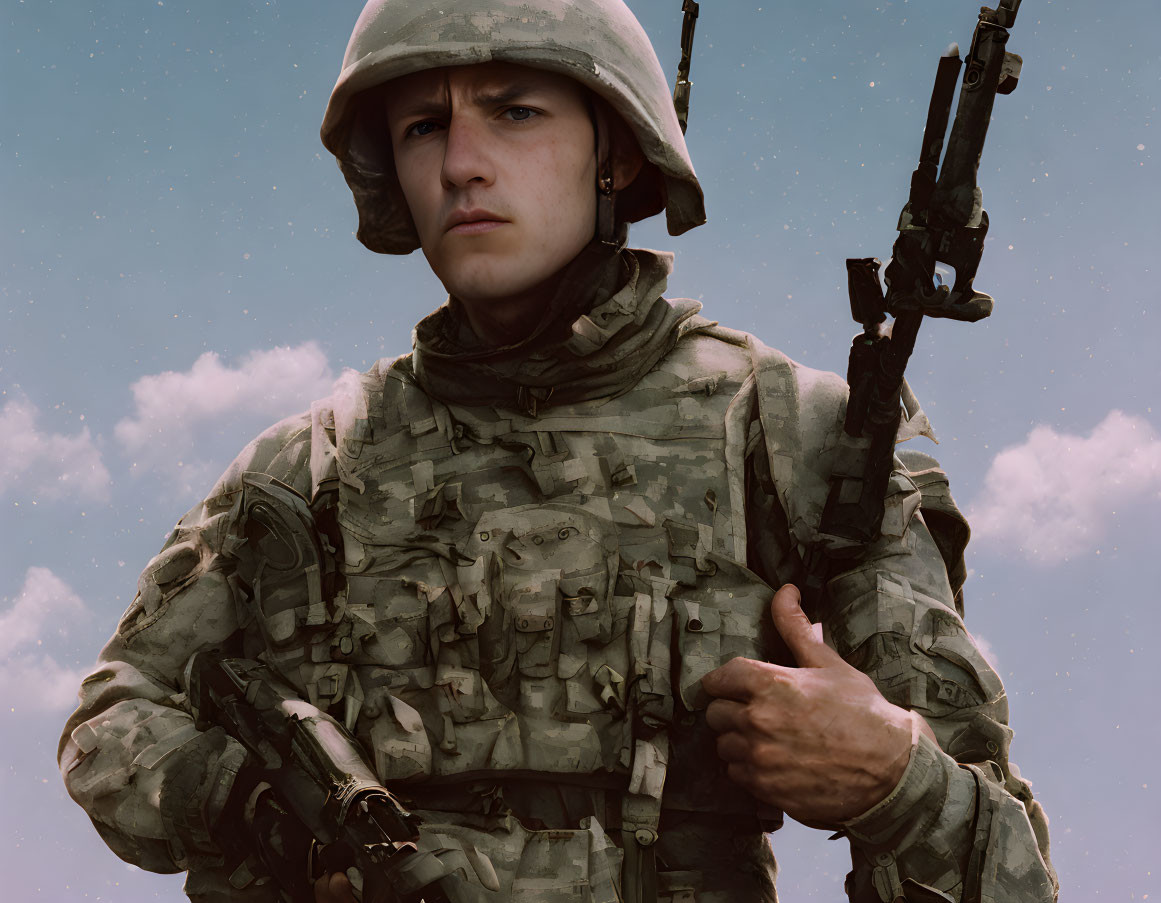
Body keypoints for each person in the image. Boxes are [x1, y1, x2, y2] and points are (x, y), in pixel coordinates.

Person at [58, 1, 1059, 901]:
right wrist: (254, 808)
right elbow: (110, 718)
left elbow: (1010, 873)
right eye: (423, 127)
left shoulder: (793, 436)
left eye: (515, 112)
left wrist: (893, 779)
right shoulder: (306, 470)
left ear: (616, 154)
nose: (461, 164)